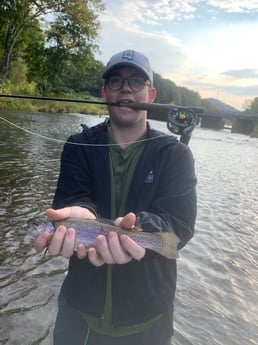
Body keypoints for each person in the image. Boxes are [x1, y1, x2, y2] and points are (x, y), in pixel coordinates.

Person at [34, 49, 197, 345]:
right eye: (116, 80)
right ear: (104, 91)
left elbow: (180, 227)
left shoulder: (176, 154)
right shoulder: (78, 147)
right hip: (79, 313)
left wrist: (139, 229)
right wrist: (79, 214)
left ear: (151, 93)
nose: (125, 87)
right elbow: (74, 201)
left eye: (136, 80)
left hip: (150, 318)